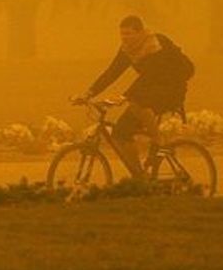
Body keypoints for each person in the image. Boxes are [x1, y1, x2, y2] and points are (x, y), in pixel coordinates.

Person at [75, 15, 194, 177]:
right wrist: (89, 93)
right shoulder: (128, 49)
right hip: (150, 89)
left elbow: (151, 74)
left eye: (128, 34)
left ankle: (160, 142)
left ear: (140, 32)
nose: (125, 38)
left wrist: (124, 96)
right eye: (122, 34)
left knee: (137, 102)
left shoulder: (156, 44)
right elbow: (112, 72)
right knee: (120, 133)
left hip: (172, 88)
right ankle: (140, 177)